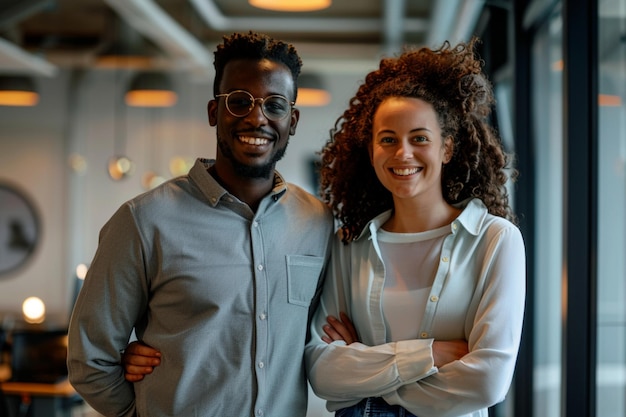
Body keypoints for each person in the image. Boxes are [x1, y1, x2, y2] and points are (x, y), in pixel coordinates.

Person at [67, 31, 335, 417]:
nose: (257, 117)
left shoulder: (318, 222)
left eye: (274, 105)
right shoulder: (143, 221)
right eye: (239, 102)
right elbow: (89, 360)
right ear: (214, 112)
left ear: (291, 120)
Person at [303, 38, 526, 417]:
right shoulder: (350, 244)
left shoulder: (494, 241)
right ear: (371, 151)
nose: (402, 154)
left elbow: (488, 381)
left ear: (447, 148)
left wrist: (368, 379)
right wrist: (431, 354)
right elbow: (323, 372)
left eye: (419, 138)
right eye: (387, 140)